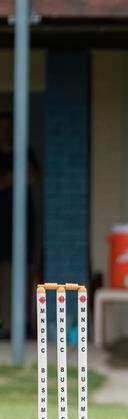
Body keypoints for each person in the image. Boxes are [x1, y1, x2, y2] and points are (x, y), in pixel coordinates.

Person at [0, 113, 40, 336]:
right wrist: (17, 176)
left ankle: (19, 323)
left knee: (22, 273)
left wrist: (8, 178)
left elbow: (33, 178)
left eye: (10, 127)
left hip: (23, 223)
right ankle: (2, 323)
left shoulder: (26, 152)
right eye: (3, 127)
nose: (6, 132)